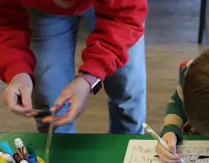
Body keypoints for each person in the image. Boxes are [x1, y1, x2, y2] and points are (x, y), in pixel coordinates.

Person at [0, 0, 148, 134]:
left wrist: (89, 77)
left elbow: (125, 18)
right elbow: (5, 23)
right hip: (41, 9)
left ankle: (129, 146)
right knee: (49, 104)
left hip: (120, 7)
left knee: (127, 88)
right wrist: (16, 70)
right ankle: (60, 155)